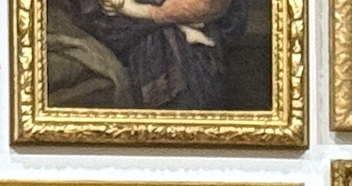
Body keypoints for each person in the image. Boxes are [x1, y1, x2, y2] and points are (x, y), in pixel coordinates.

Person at [50, 0, 246, 110]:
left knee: (181, 52)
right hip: (108, 20)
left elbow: (208, 6)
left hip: (166, 17)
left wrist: (137, 10)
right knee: (165, 43)